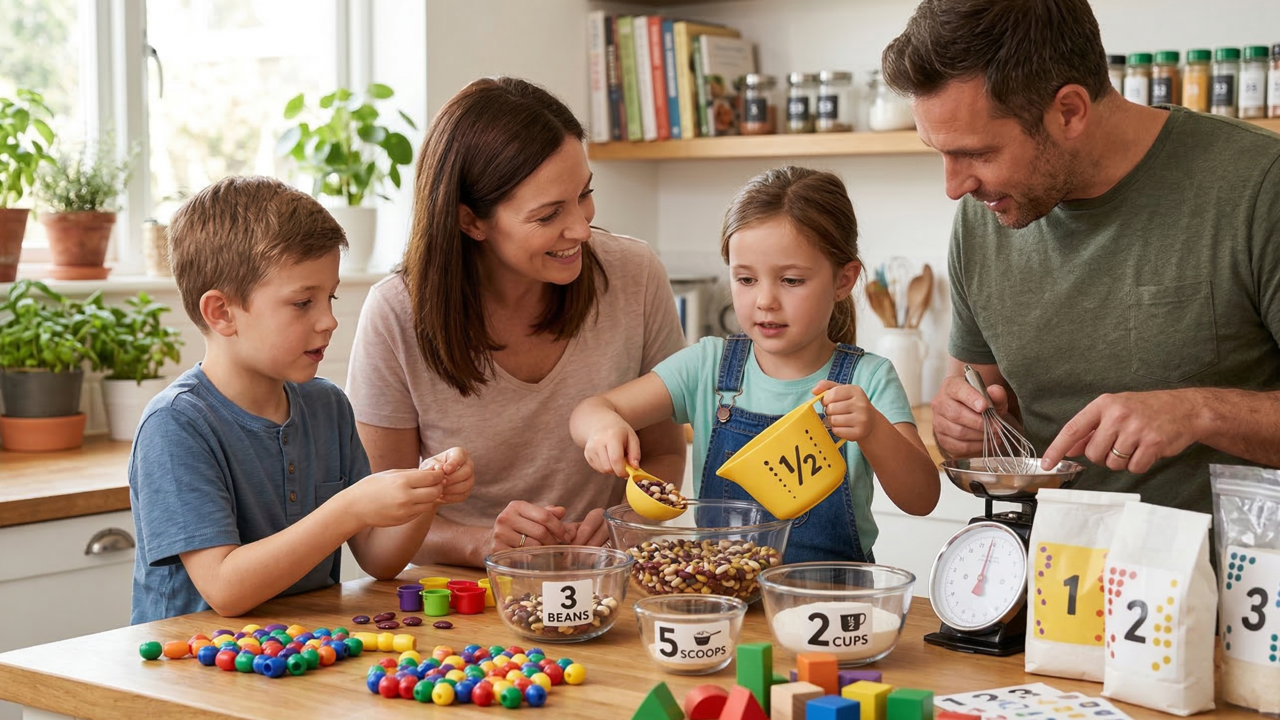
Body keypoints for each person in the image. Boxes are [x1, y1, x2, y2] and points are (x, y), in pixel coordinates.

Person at [882, 0, 1280, 516]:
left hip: (1233, 581)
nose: (954, 187)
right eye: (939, 151)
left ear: (1069, 111)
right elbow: (987, 409)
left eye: (978, 154)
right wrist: (964, 428)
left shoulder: (1259, 186)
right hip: (1052, 578)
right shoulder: (985, 219)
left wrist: (1198, 411)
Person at [345, 77, 687, 567]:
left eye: (584, 194)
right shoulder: (396, 313)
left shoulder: (634, 274)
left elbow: (666, 457)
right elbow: (378, 524)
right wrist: (484, 544)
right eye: (548, 215)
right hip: (465, 597)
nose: (582, 228)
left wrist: (621, 523)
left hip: (602, 582)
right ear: (471, 221)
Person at [129, 176, 474, 623]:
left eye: (329, 297)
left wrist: (425, 495)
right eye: (302, 303)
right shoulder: (176, 425)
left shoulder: (326, 406)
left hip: (299, 658)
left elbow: (379, 559)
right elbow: (225, 589)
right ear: (221, 313)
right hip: (195, 670)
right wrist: (350, 508)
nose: (329, 320)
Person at [570, 166, 940, 563]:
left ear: (843, 280)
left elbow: (921, 499)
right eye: (746, 280)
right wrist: (604, 427)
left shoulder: (868, 378)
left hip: (833, 606)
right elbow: (590, 409)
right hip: (725, 602)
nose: (765, 300)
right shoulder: (707, 366)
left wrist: (874, 431)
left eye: (791, 280)